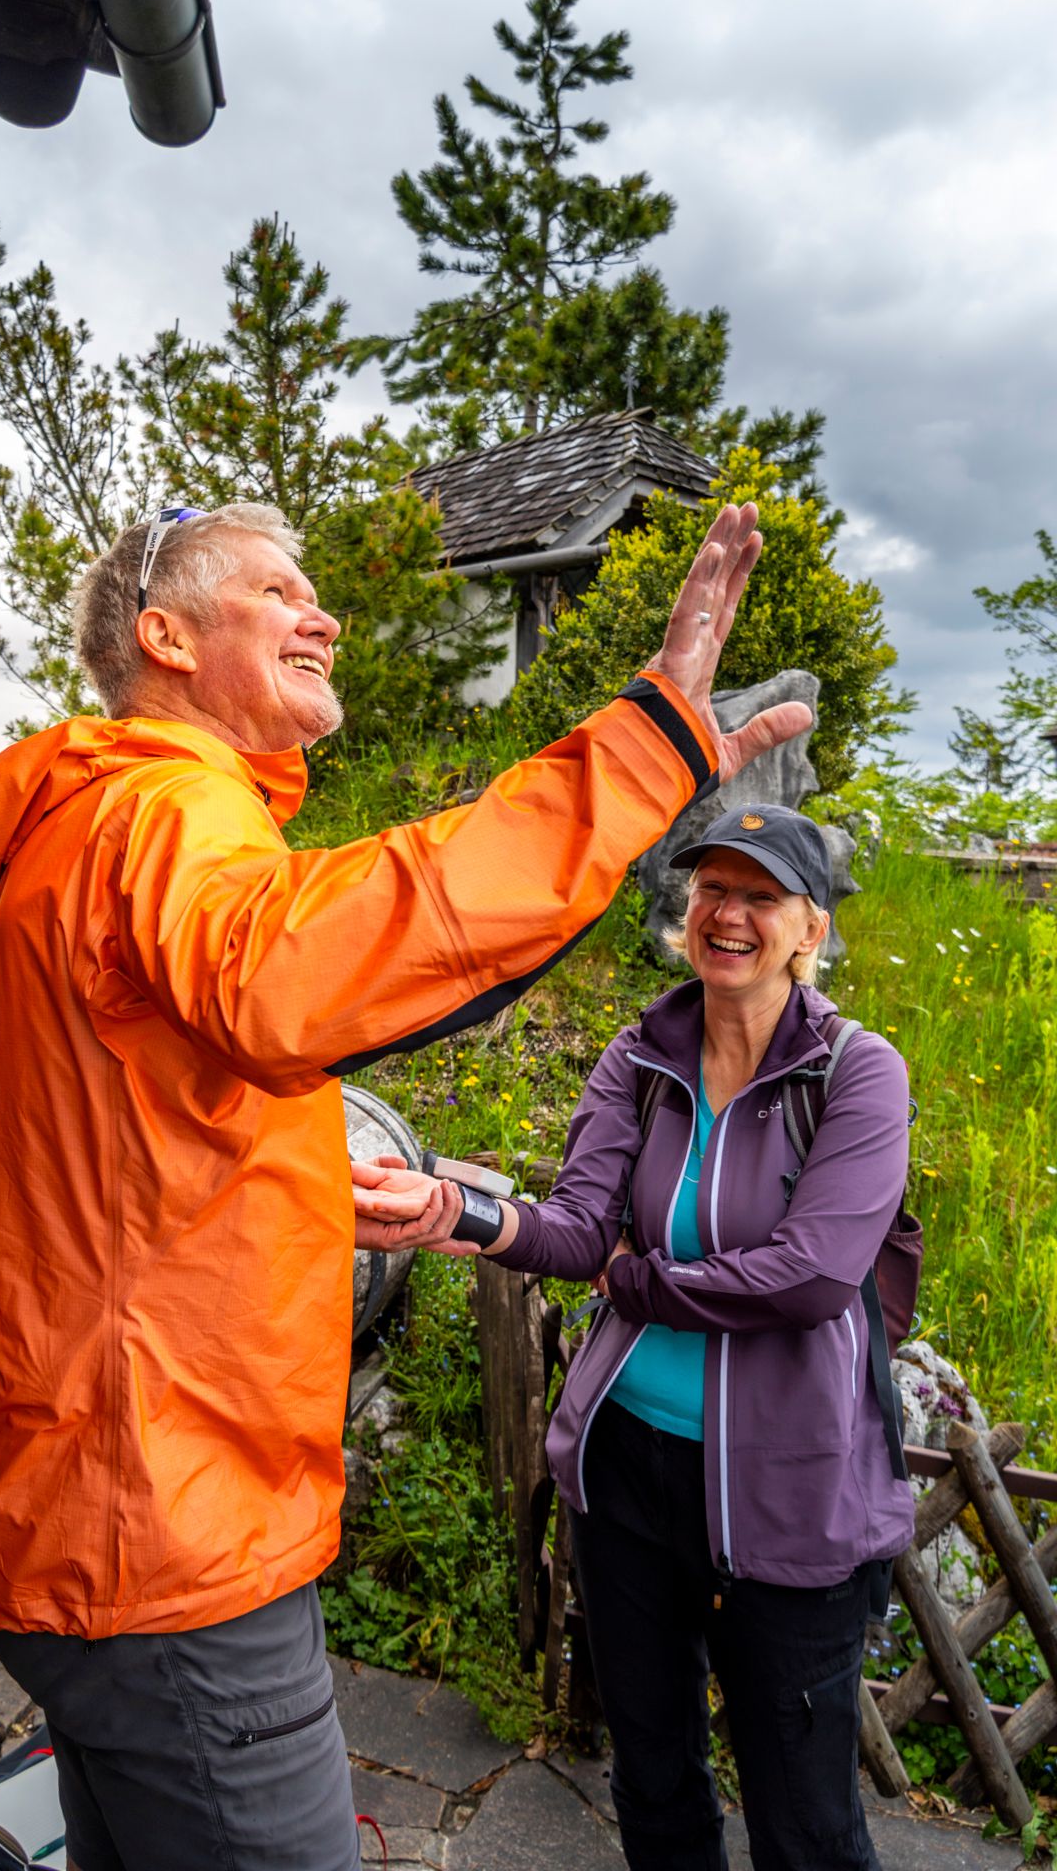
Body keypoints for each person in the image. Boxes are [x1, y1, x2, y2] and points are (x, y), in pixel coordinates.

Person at [0, 496, 807, 1871]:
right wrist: (645, 750)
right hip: (163, 1522)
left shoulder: (79, 833)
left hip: (73, 1497)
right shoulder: (163, 809)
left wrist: (282, 1175)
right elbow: (304, 968)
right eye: (277, 592)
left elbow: (117, 1153)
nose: (322, 614)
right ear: (168, 639)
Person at [411, 802, 914, 1871]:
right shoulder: (641, 1054)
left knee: (806, 1823)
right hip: (625, 1474)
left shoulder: (857, 1072)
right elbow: (576, 1225)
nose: (727, 914)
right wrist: (463, 1215)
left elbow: (812, 1277)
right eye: (711, 888)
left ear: (810, 929)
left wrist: (636, 1280)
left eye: (760, 895)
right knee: (652, 1778)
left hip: (787, 1490)